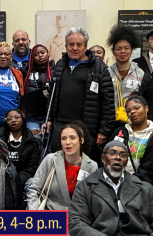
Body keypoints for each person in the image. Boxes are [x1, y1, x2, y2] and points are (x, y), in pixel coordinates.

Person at [27, 121, 97, 236]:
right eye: (64, 138)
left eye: (72, 138)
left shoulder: (92, 166)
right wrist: (34, 215)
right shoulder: (51, 160)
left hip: (77, 220)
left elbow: (92, 200)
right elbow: (34, 190)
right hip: (51, 217)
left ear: (81, 140)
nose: (67, 142)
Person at [45, 27, 115, 158]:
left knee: (84, 168)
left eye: (79, 45)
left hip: (87, 128)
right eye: (71, 44)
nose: (75, 48)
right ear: (65, 46)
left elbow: (108, 101)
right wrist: (48, 119)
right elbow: (52, 95)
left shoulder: (99, 68)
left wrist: (104, 131)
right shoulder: (60, 65)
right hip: (60, 126)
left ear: (85, 47)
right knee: (59, 164)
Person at [109, 94, 153, 185]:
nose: (132, 112)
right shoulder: (120, 132)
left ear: (146, 108)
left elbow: (151, 171)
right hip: (114, 182)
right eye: (128, 110)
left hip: (141, 185)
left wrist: (126, 183)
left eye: (136, 108)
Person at [107, 25, 153, 123]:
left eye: (126, 48)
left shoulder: (142, 75)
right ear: (113, 52)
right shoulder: (107, 74)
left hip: (135, 123)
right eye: (118, 49)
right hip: (111, 123)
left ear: (131, 50)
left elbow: (150, 101)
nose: (122, 51)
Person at [0, 109, 42, 186]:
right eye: (9, 118)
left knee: (31, 184)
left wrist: (17, 181)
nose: (13, 120)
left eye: (16, 117)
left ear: (23, 119)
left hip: (24, 178)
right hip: (2, 176)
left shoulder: (32, 141)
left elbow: (32, 167)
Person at [21, 44, 54, 136]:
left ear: (48, 54)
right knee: (34, 141)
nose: (40, 56)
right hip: (32, 116)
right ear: (32, 57)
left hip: (49, 116)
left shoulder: (54, 71)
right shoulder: (25, 72)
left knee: (49, 143)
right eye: (36, 54)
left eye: (42, 52)